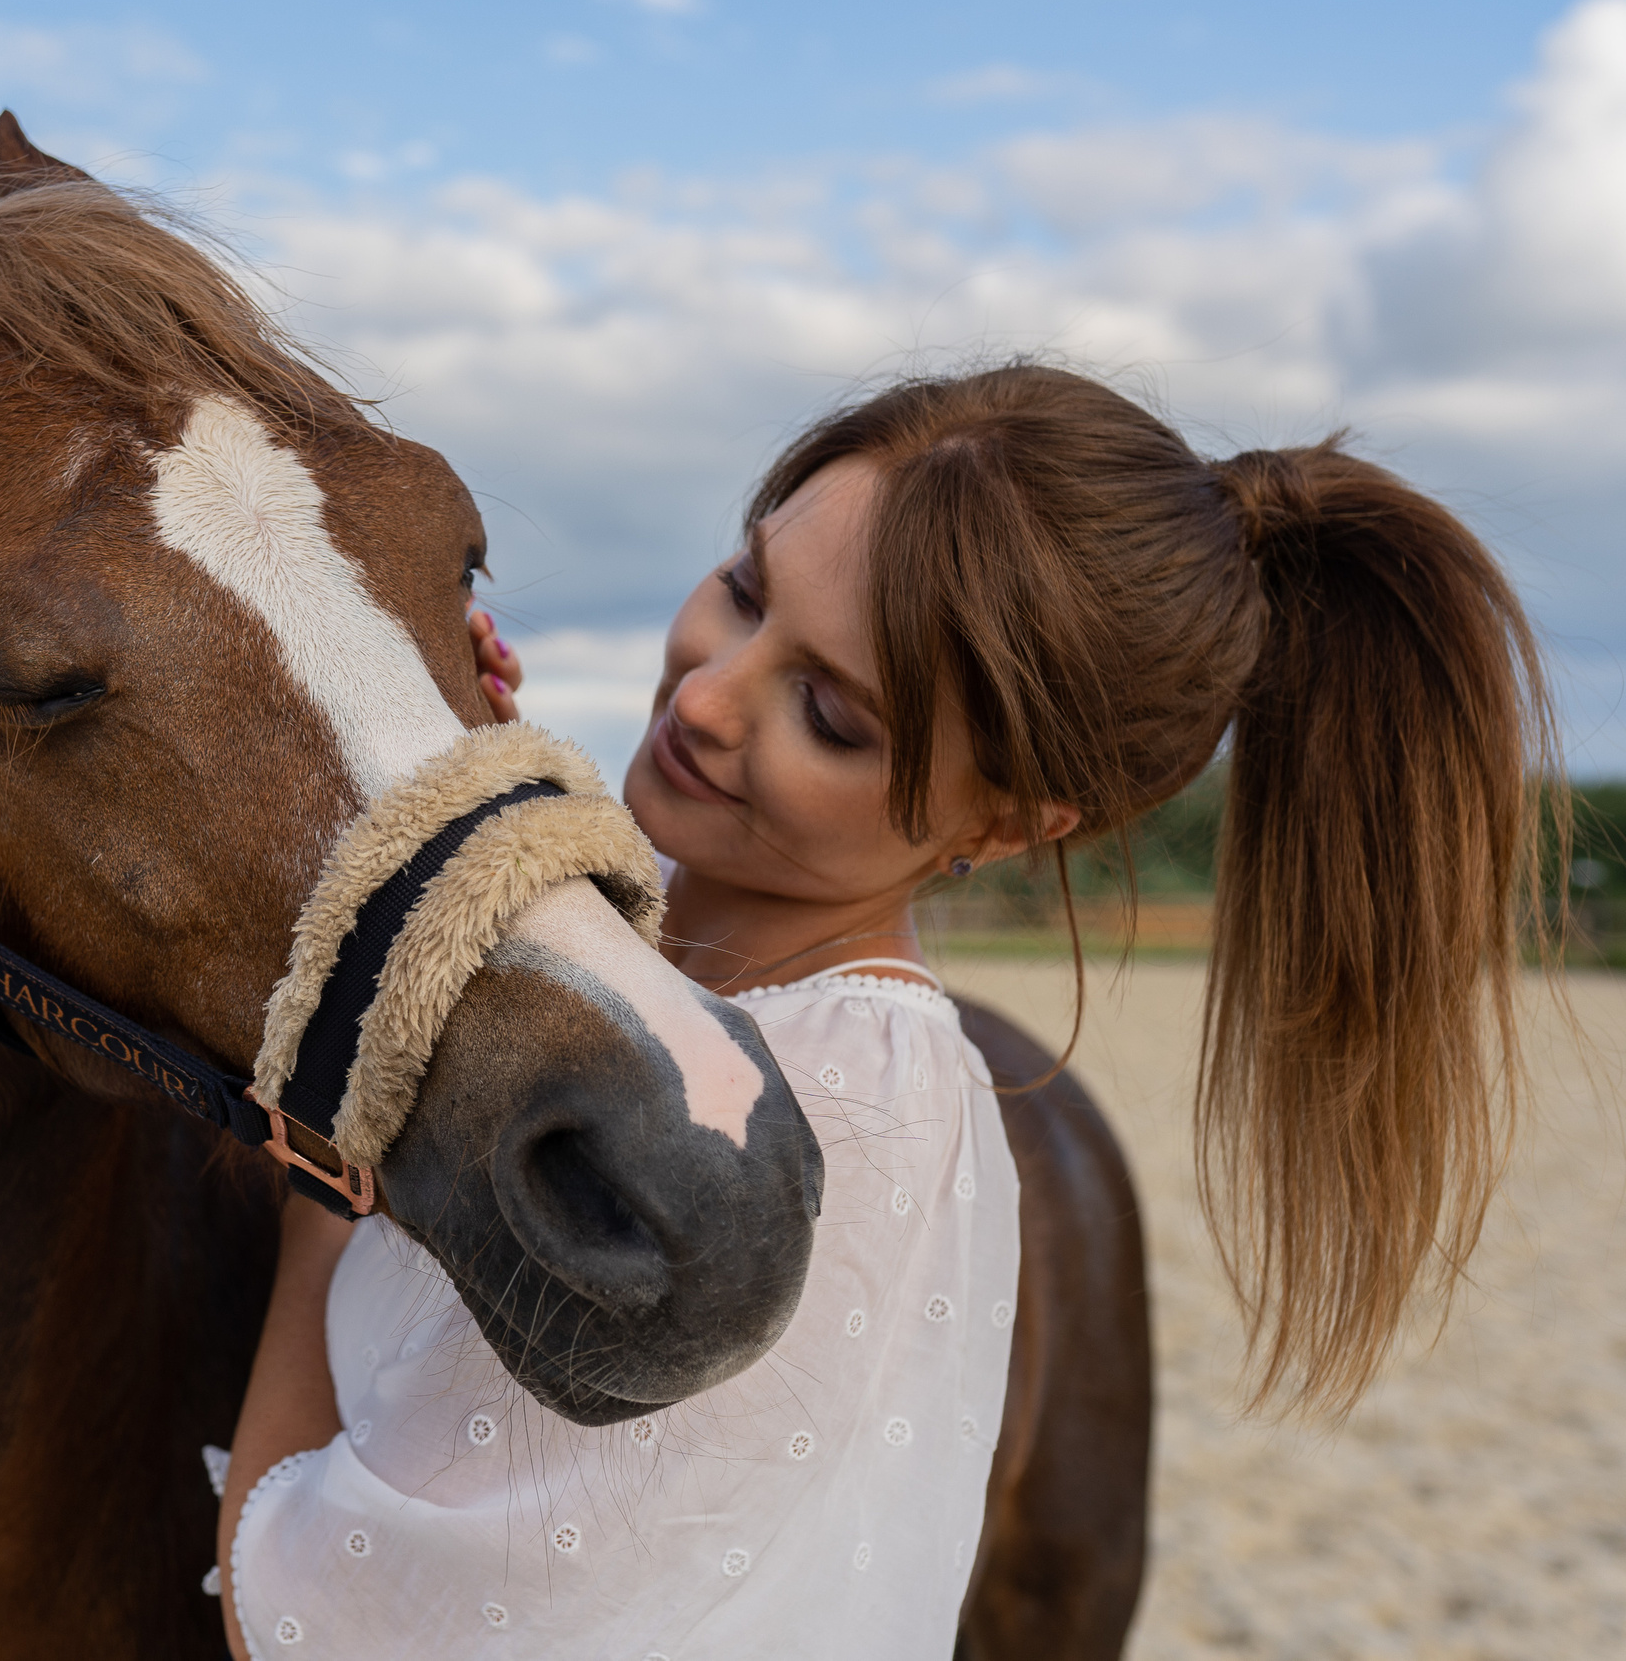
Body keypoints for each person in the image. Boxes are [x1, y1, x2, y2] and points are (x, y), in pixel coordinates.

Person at [213, 363, 1557, 1659]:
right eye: (744, 592)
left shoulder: (823, 1119)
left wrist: (324, 1194)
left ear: (1014, 823)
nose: (704, 694)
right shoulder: (662, 991)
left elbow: (327, 1612)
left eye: (829, 715)